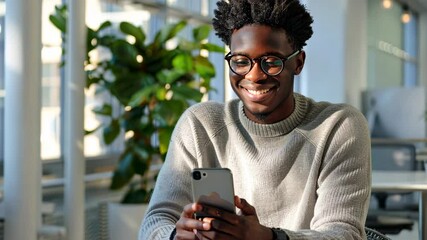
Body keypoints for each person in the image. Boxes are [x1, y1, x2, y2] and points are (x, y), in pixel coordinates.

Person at [139, 0, 371, 239]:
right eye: (240, 61)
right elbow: (154, 223)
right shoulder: (201, 125)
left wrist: (269, 237)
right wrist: (175, 236)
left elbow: (343, 234)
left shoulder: (338, 126)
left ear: (298, 62)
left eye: (271, 62)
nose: (255, 75)